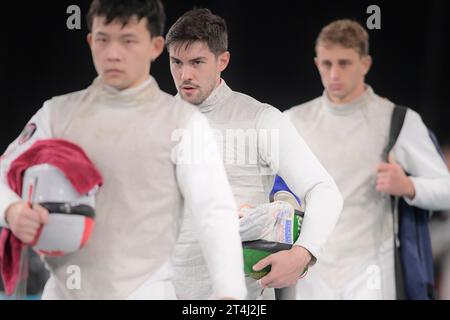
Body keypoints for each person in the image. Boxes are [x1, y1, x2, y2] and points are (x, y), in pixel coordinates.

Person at [0, 0, 247, 300]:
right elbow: (3, 171)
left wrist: (230, 293)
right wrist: (11, 210)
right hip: (62, 292)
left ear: (156, 46)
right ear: (91, 41)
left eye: (128, 40)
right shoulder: (56, 114)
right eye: (103, 40)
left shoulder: (183, 122)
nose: (113, 53)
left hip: (146, 292)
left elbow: (214, 212)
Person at [166, 8, 343, 300]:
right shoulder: (155, 122)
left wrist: (302, 254)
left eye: (197, 62)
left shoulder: (260, 119)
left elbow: (324, 190)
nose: (185, 74)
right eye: (176, 62)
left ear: (222, 60)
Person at [284, 19, 450, 299]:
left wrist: (409, 186)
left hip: (371, 267)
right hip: (313, 269)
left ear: (365, 64)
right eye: (327, 64)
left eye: (345, 63)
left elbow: (446, 192)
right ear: (317, 63)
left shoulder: (396, 120)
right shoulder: (293, 121)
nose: (334, 73)